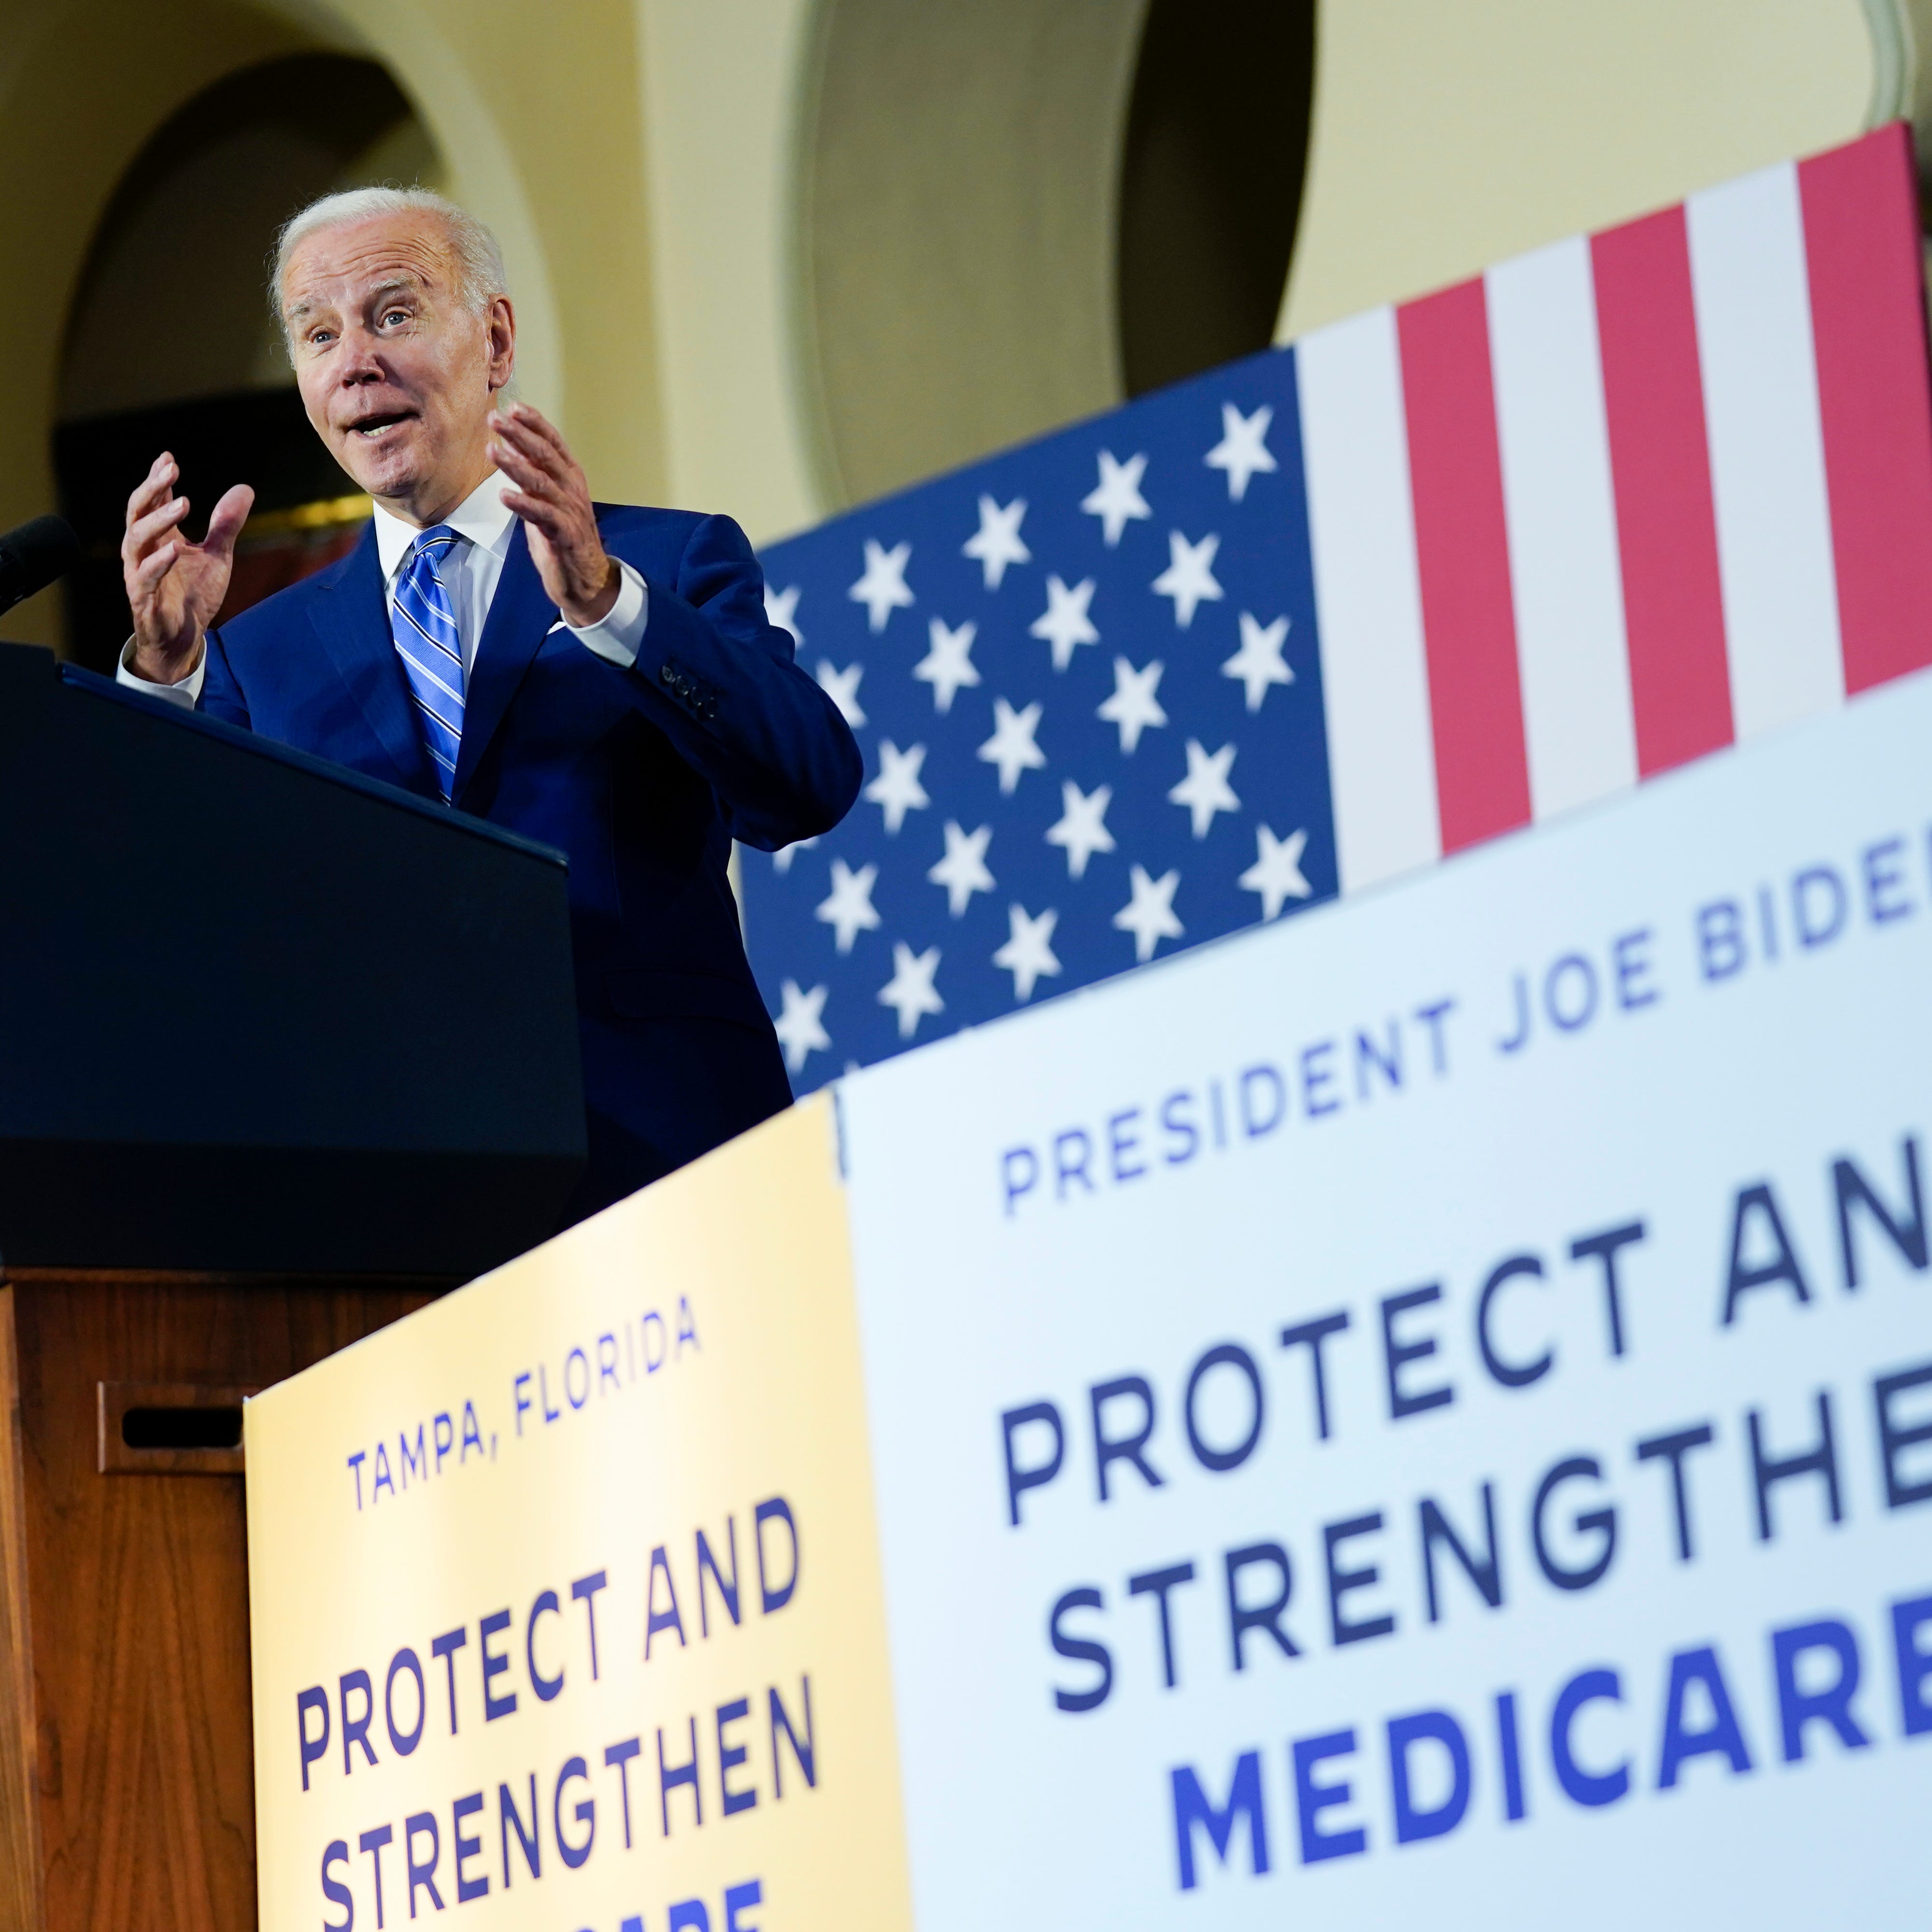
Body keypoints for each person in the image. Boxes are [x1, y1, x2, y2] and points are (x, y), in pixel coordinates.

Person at [118, 186, 860, 1225]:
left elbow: (806, 784)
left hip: (668, 1161)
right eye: (319, 334)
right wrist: (162, 677)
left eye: (393, 314)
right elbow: (179, 920)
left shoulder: (663, 562)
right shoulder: (251, 654)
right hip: (394, 1197)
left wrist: (611, 607)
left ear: (495, 338)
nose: (355, 362)